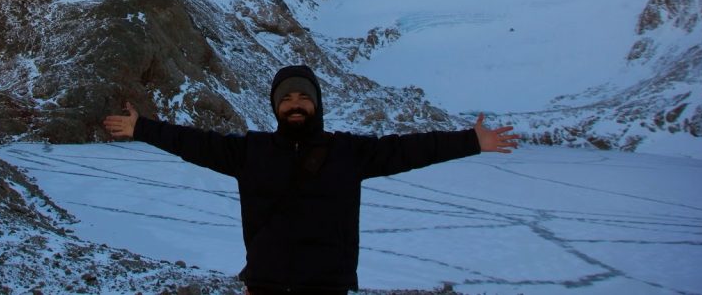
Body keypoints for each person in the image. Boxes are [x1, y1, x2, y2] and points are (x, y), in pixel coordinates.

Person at [103, 64, 520, 295]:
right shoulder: (251, 151)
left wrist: (470, 141)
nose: (295, 104)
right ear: (275, 107)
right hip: (265, 285)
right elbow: (194, 142)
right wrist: (143, 129)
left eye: (303, 97)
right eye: (287, 98)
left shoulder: (348, 152)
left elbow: (409, 149)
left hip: (327, 287)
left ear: (317, 105)